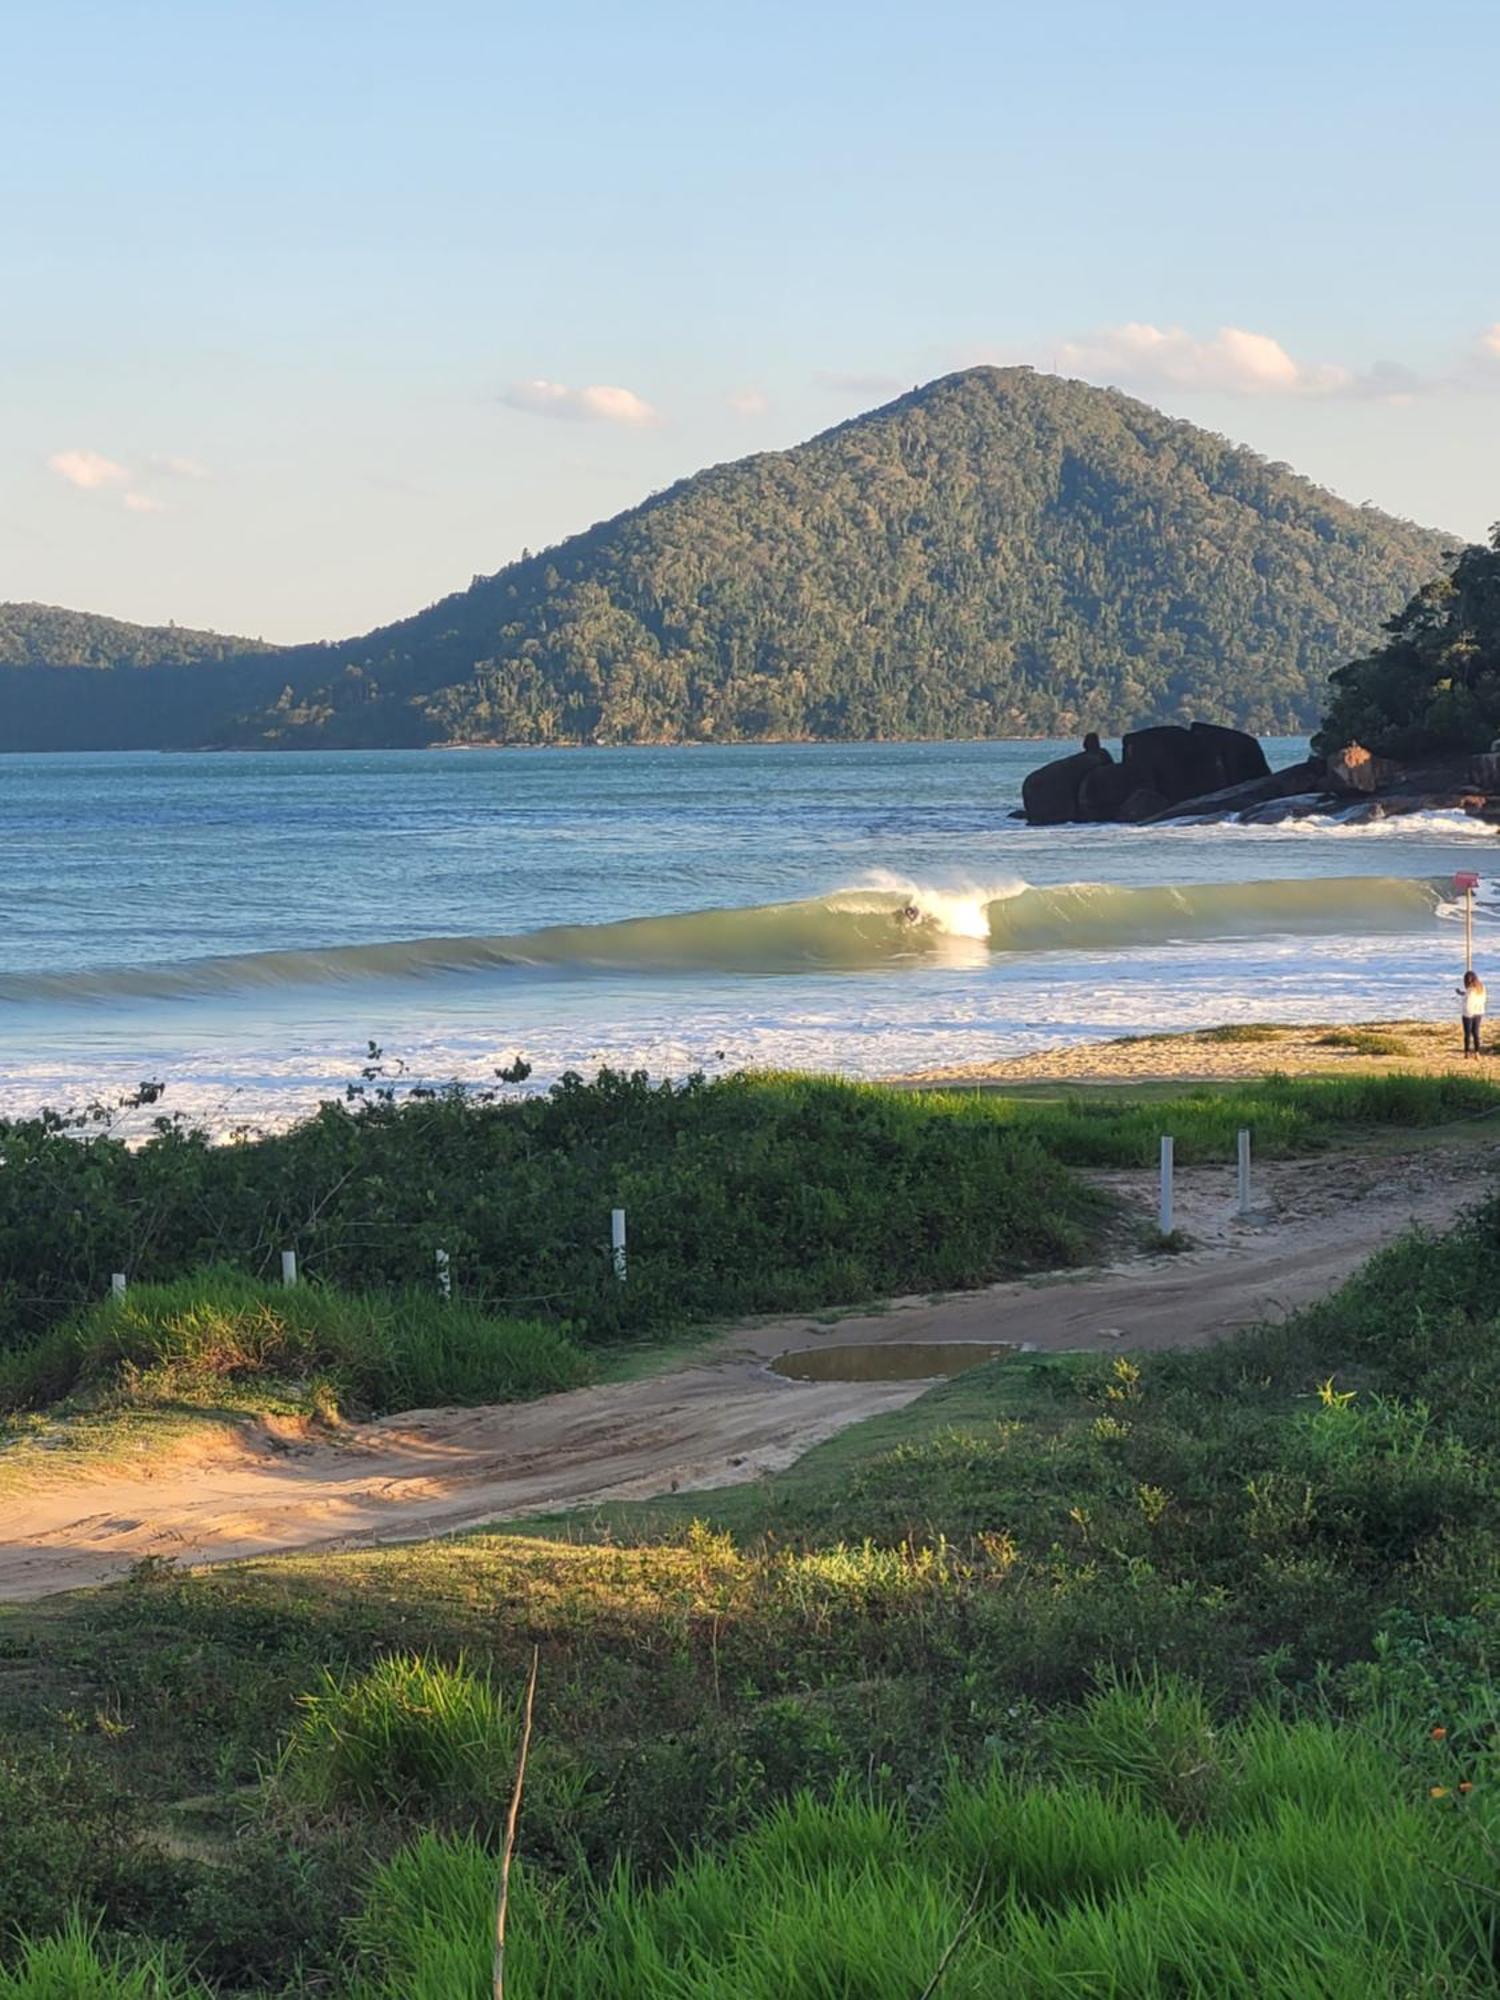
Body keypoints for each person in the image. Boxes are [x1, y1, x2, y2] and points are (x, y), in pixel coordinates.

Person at [1459, 967, 1487, 1056]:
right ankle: (1477, 1052)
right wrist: (1462, 993)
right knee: (1476, 1033)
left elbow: (1467, 1001)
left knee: (1467, 1034)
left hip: (1468, 1013)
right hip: (1479, 1011)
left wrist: (1464, 1011)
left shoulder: (1470, 990)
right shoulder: (1481, 988)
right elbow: (1471, 995)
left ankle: (1467, 1052)